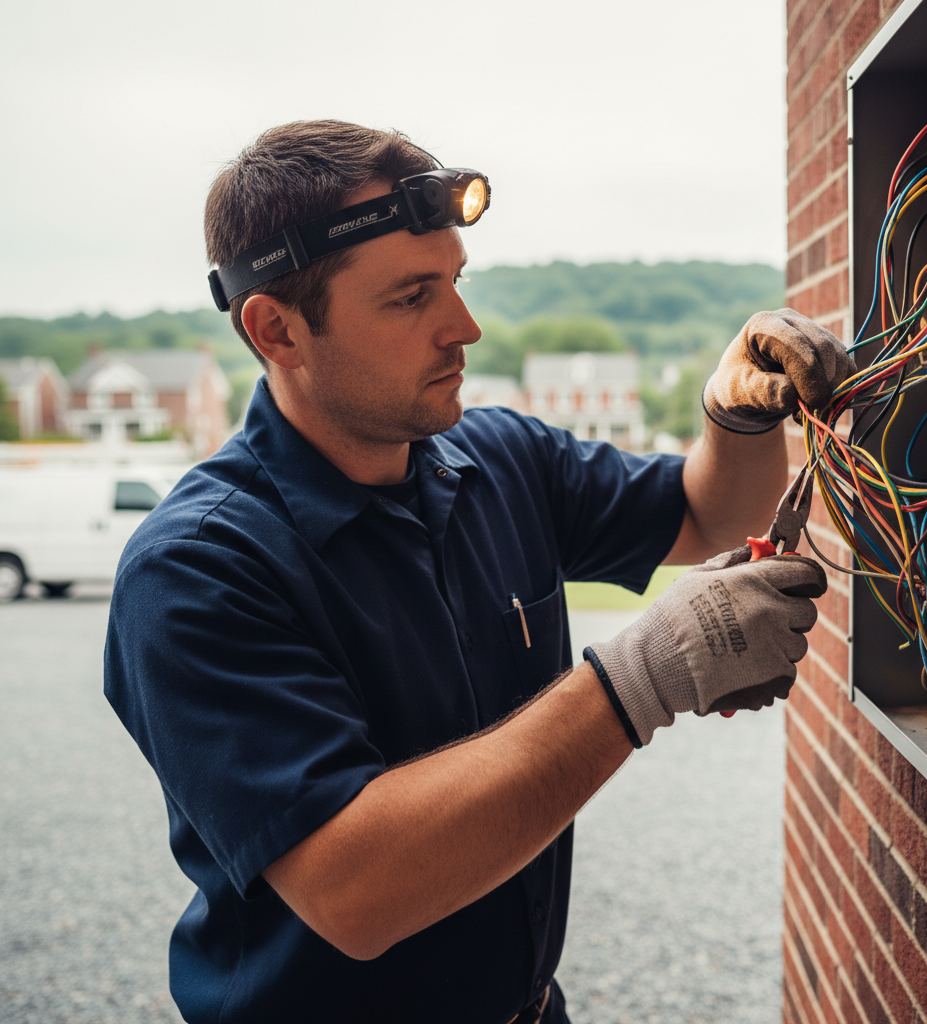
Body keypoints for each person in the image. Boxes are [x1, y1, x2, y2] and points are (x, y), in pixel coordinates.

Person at [104, 120, 856, 1024]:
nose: (464, 328)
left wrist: (734, 420)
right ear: (277, 331)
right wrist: (643, 674)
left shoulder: (495, 457)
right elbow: (358, 890)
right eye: (412, 297)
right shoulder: (197, 570)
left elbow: (709, 514)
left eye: (456, 282)